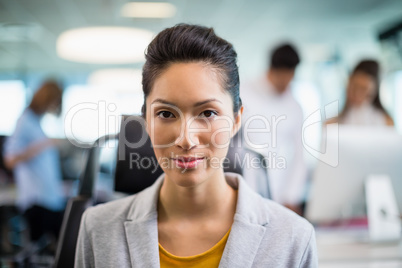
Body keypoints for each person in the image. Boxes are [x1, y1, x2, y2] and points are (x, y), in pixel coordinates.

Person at [75, 24, 317, 267]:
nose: (186, 140)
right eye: (166, 114)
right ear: (146, 121)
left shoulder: (293, 239)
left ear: (235, 121)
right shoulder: (97, 229)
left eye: (208, 113)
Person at [241, 44, 307, 214]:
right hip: (245, 184)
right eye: (282, 78)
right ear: (271, 69)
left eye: (291, 77)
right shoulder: (244, 93)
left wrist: (293, 195)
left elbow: (300, 155)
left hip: (280, 193)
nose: (286, 84)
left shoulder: (294, 106)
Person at [4, 80, 65, 245]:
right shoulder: (25, 121)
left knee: (59, 247)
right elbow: (10, 160)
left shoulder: (36, 122)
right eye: (53, 102)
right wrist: (44, 144)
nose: (54, 106)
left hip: (49, 198)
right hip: (36, 200)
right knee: (41, 250)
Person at [327, 59, 393, 126]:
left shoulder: (387, 122)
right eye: (354, 87)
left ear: (374, 92)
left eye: (363, 89)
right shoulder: (332, 124)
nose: (357, 94)